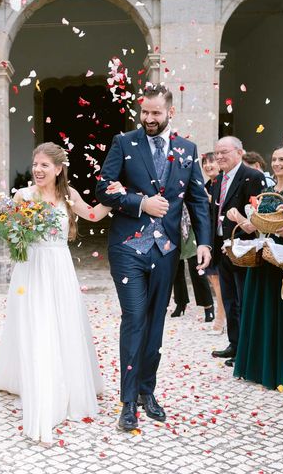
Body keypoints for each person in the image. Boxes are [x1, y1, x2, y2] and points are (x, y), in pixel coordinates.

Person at [95, 83, 211, 432]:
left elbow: (198, 200)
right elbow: (104, 187)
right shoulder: (123, 143)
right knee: (134, 318)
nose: (148, 118)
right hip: (128, 246)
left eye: (155, 113)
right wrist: (139, 203)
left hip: (166, 251)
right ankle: (127, 402)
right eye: (144, 112)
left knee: (155, 322)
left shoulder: (187, 150)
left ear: (169, 112)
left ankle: (148, 392)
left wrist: (204, 242)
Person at [0, 142, 123, 445]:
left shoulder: (67, 195)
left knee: (62, 324)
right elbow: (11, 235)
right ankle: (37, 383)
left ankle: (66, 382)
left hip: (59, 266)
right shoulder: (23, 196)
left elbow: (92, 215)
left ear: (58, 168)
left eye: (44, 165)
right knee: (36, 325)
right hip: (31, 269)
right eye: (35, 164)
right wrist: (14, 230)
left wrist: (113, 198)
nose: (38, 170)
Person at [228, 144, 283, 392]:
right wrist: (239, 221)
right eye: (274, 159)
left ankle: (281, 370)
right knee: (260, 309)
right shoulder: (268, 190)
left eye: (282, 159)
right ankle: (258, 368)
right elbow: (255, 228)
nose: (276, 163)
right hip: (264, 253)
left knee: (280, 311)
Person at [208, 136, 265, 367]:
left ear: (239, 152)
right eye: (217, 152)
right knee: (229, 298)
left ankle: (246, 349)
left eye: (224, 152)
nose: (219, 157)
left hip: (243, 247)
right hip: (222, 246)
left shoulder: (253, 177)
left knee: (243, 299)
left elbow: (257, 215)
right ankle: (234, 343)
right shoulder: (217, 179)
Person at [169, 204, 215, 322]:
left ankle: (208, 306)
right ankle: (181, 303)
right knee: (176, 270)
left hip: (190, 227)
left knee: (197, 268)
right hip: (172, 225)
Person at [201, 152, 226, 333]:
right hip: (209, 237)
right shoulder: (208, 184)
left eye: (212, 162)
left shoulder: (222, 184)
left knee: (218, 281)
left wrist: (209, 200)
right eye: (205, 163)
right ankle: (220, 319)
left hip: (220, 238)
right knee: (213, 279)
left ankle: (220, 321)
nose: (208, 165)